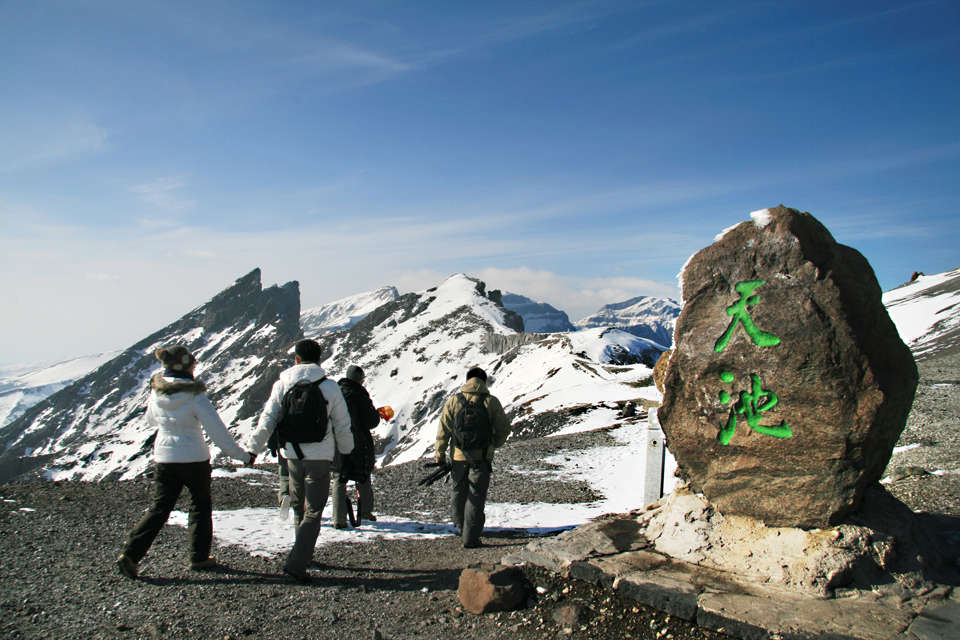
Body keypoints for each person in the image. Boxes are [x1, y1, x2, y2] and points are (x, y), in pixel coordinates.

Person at [117, 346, 254, 579]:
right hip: (194, 457)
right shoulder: (194, 395)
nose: (195, 365)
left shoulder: (157, 391)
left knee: (160, 508)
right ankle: (199, 557)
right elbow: (217, 431)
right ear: (186, 365)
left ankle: (131, 553)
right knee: (200, 506)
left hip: (164, 457)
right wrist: (243, 456)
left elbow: (151, 420)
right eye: (192, 362)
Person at [246, 339, 353, 581]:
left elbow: (268, 420)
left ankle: (303, 554)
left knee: (298, 506)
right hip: (320, 456)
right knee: (314, 510)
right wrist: (346, 451)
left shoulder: (282, 385)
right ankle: (297, 562)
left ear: (295, 359)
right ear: (319, 359)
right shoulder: (329, 387)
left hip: (292, 454)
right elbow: (342, 425)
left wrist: (254, 449)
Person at [434, 366, 511, 548]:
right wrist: (493, 446)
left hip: (458, 457)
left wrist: (440, 453)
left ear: (467, 380)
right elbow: (504, 429)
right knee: (476, 496)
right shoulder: (491, 402)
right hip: (481, 458)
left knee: (458, 492)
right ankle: (471, 537)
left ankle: (461, 529)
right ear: (484, 381)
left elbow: (443, 429)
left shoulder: (454, 401)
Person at [331, 365, 381, 528]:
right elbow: (371, 421)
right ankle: (365, 512)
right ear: (360, 380)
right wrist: (377, 414)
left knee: (340, 477)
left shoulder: (335, 392)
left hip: (337, 440)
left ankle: (338, 518)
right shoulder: (359, 394)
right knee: (363, 475)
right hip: (358, 442)